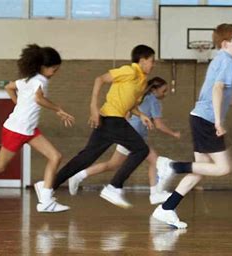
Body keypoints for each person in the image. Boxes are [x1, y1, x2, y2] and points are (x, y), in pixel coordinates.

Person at [151, 23, 232, 229]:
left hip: (199, 117)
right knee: (224, 167)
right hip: (206, 120)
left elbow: (214, 95)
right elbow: (216, 89)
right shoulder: (227, 62)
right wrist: (218, 121)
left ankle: (167, 208)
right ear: (225, 43)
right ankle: (172, 166)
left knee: (199, 171)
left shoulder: (219, 60)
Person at [51, 44, 157, 209]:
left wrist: (141, 115)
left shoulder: (141, 82)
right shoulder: (129, 71)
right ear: (142, 61)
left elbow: (129, 104)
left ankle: (48, 186)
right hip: (112, 119)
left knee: (86, 158)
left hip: (109, 121)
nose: (153, 64)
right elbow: (99, 79)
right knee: (141, 149)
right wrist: (93, 107)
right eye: (152, 61)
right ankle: (114, 187)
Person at [0, 44, 75, 213]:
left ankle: (46, 197)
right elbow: (39, 99)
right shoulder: (40, 80)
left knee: (55, 156)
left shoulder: (27, 80)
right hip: (17, 130)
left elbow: (8, 87)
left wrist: (18, 103)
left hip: (29, 129)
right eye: (54, 70)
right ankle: (45, 192)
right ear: (43, 67)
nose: (55, 73)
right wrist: (58, 109)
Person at [67, 76, 180, 205]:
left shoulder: (141, 98)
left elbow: (127, 112)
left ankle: (78, 175)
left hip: (132, 135)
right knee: (154, 161)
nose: (165, 94)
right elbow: (159, 124)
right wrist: (174, 133)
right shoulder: (153, 101)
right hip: (132, 137)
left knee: (112, 165)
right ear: (154, 90)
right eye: (163, 91)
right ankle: (154, 194)